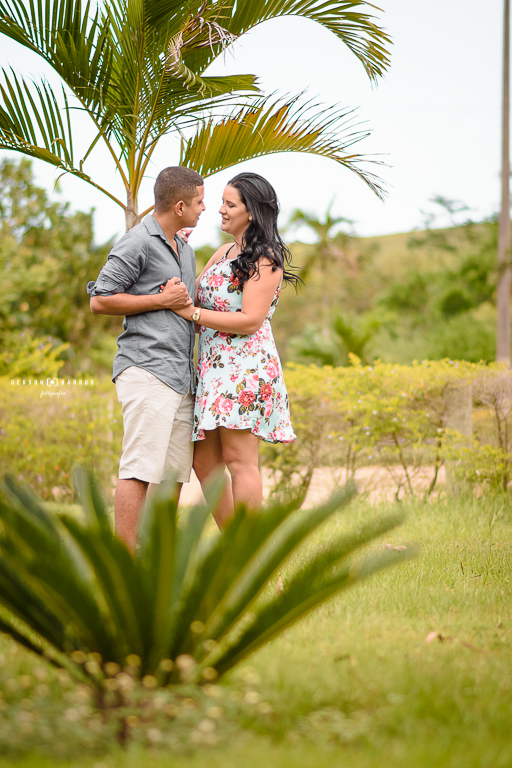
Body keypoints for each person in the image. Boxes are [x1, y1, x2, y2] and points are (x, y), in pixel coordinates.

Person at [161, 172, 297, 526]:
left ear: (250, 211)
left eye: (229, 204)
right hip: (213, 368)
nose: (219, 210)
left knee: (239, 461)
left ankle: (249, 554)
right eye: (221, 202)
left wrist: (192, 312)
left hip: (245, 368)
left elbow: (251, 319)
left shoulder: (264, 259)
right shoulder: (224, 251)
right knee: (204, 462)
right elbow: (192, 296)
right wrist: (174, 247)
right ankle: (234, 543)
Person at [87, 166, 204, 550]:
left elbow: (184, 308)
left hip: (180, 376)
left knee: (172, 476)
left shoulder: (184, 248)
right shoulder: (136, 241)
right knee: (138, 470)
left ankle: (156, 562)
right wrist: (161, 300)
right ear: (181, 204)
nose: (204, 209)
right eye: (200, 202)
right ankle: (125, 565)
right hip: (146, 369)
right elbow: (99, 300)